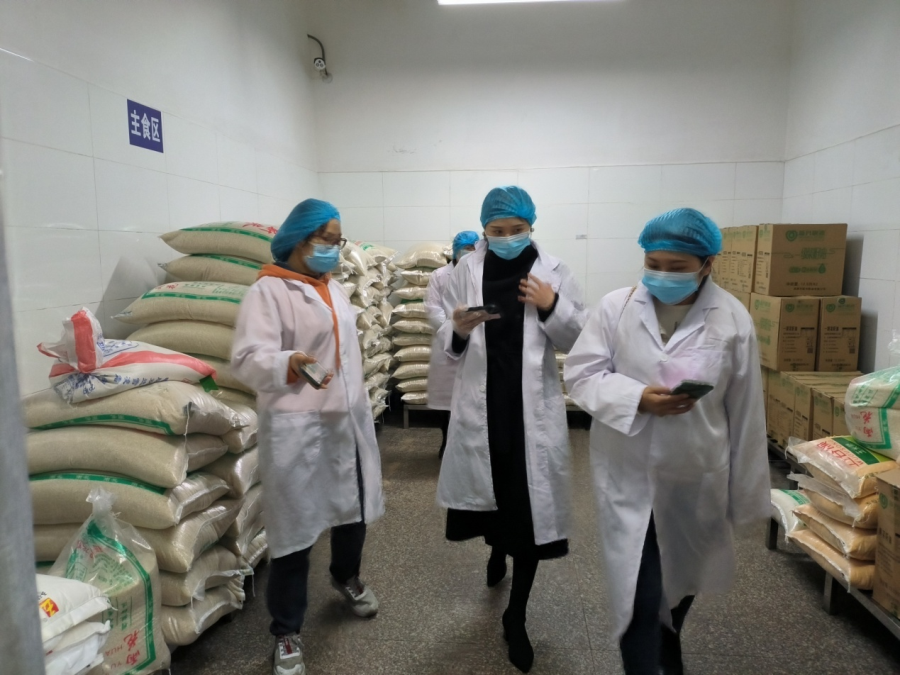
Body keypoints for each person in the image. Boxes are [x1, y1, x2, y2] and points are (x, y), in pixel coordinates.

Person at [564, 208, 769, 675]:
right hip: (628, 473)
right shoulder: (615, 308)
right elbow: (581, 374)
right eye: (653, 264)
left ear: (707, 264)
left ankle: (667, 653)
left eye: (677, 267)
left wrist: (747, 496)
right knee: (638, 597)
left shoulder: (732, 320)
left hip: (695, 476)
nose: (662, 275)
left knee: (679, 587)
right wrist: (636, 397)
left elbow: (747, 412)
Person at [435, 186, 587, 673]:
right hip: (482, 407)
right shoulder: (465, 270)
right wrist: (458, 328)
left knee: (527, 515)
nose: (506, 238)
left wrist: (551, 304)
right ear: (484, 229)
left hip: (530, 413)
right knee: (494, 499)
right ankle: (496, 549)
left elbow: (577, 338)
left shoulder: (554, 272)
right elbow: (446, 337)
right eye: (496, 231)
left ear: (530, 227)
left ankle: (515, 615)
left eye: (516, 230)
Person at [231, 199, 385, 675]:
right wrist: (288, 363)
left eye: (338, 241)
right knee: (293, 533)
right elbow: (246, 359)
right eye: (327, 240)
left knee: (353, 512)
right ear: (300, 240)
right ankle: (286, 630)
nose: (334, 249)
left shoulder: (333, 288)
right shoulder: (268, 291)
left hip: (345, 423)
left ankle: (346, 577)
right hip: (297, 427)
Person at [425, 230, 480, 458]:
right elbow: (432, 308)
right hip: (446, 343)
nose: (470, 254)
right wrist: (453, 328)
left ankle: (469, 445)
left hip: (476, 342)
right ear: (456, 252)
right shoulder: (439, 275)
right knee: (446, 401)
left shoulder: (480, 274)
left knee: (472, 399)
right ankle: (446, 442)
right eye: (466, 250)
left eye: (473, 250)